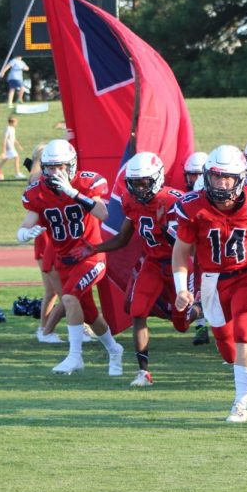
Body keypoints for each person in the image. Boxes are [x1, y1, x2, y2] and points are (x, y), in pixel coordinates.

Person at [173, 145, 247, 422]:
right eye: (216, 177)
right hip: (212, 281)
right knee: (227, 349)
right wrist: (181, 287)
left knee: (241, 335)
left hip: (246, 277)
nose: (222, 183)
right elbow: (180, 252)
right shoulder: (194, 206)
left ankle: (240, 404)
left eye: (227, 177)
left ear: (240, 178)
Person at [82, 152, 190, 386]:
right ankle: (143, 371)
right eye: (134, 183)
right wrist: (94, 248)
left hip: (177, 265)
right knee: (137, 312)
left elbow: (187, 245)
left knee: (182, 324)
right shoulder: (131, 201)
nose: (140, 189)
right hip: (152, 263)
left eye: (144, 183)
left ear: (157, 178)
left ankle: (201, 309)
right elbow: (122, 238)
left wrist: (166, 225)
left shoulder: (175, 201)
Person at [17, 139, 124, 376]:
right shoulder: (38, 192)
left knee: (68, 297)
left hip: (91, 256)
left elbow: (103, 213)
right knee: (90, 314)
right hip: (64, 260)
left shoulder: (86, 183)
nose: (56, 172)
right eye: (51, 167)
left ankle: (75, 357)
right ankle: (115, 350)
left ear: (72, 165)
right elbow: (28, 221)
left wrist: (74, 194)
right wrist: (23, 233)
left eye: (62, 167)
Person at [26, 144, 66, 344]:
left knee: (57, 291)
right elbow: (32, 178)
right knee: (58, 291)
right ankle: (45, 329)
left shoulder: (56, 181)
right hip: (45, 240)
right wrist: (38, 157)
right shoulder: (38, 181)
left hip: (60, 239)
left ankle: (45, 329)